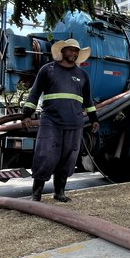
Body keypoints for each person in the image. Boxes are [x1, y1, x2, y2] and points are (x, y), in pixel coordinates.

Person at [22, 39, 99, 202]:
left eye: (76, 51)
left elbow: (88, 101)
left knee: (68, 158)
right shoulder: (47, 70)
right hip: (51, 122)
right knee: (46, 156)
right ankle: (36, 194)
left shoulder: (82, 75)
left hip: (75, 124)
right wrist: (26, 114)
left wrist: (94, 119)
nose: (73, 54)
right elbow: (34, 94)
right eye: (70, 50)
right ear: (62, 52)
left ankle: (60, 192)